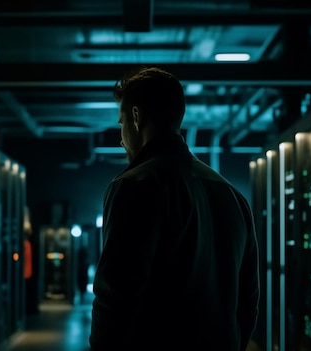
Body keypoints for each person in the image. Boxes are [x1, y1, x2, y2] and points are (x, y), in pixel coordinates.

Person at [89, 66, 260, 350]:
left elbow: (116, 297)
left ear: (135, 117)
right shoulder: (232, 195)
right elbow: (248, 300)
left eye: (121, 124)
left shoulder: (134, 185)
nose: (121, 139)